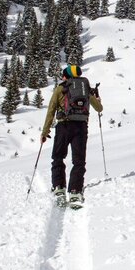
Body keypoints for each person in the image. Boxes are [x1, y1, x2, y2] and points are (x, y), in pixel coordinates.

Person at [40, 64, 103, 208]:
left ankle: (59, 188)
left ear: (66, 76)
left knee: (58, 157)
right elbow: (99, 108)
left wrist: (45, 132)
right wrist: (98, 99)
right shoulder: (85, 89)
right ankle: (75, 191)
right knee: (79, 160)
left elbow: (51, 111)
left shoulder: (60, 89)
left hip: (63, 126)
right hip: (81, 127)